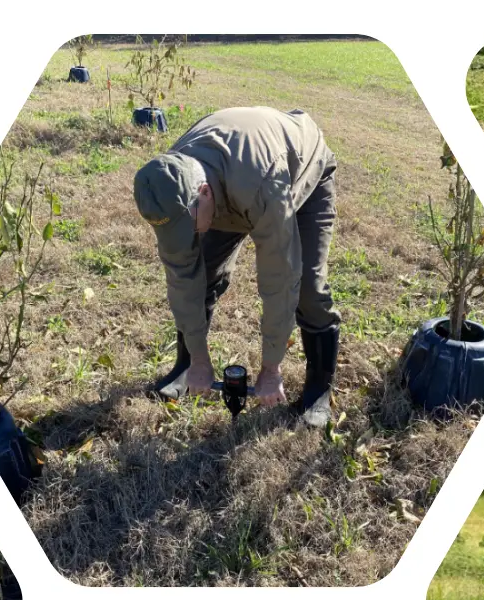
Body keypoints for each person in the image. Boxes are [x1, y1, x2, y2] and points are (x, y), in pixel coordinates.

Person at [134, 106, 340, 427]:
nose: (185, 238)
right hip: (229, 186)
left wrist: (270, 368)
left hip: (299, 173)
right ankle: (185, 366)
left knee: (309, 289)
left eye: (186, 227)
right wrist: (200, 357)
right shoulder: (172, 180)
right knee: (201, 274)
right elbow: (182, 277)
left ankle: (318, 390)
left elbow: (281, 277)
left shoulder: (261, 185)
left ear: (204, 194)